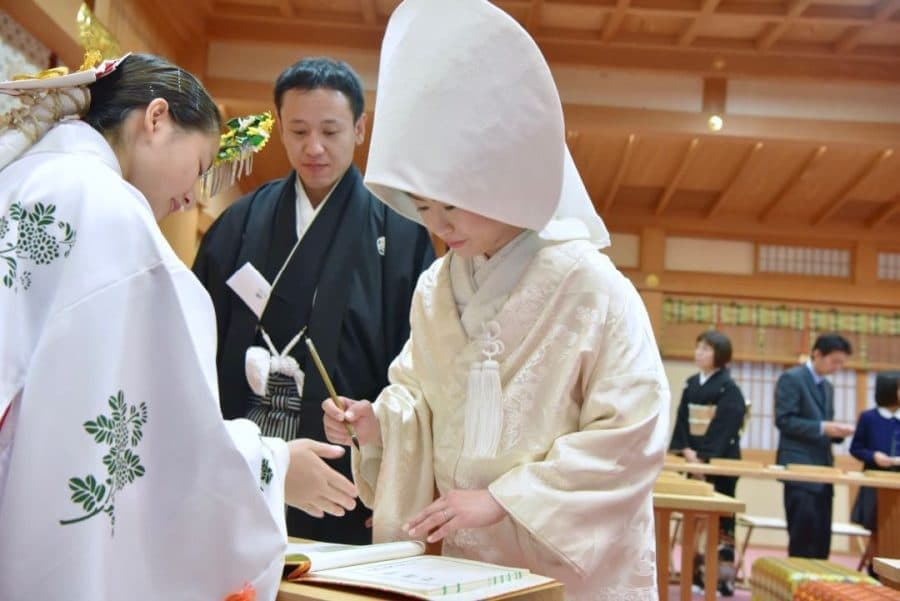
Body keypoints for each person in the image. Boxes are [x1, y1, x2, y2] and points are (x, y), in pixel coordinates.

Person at [321, 1, 671, 598]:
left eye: (450, 206)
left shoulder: (591, 285)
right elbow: (423, 397)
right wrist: (381, 422)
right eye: (424, 210)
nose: (440, 228)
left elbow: (632, 434)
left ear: (504, 181)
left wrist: (504, 500)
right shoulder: (437, 286)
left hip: (555, 566)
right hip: (459, 561)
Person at [0, 53, 358, 601]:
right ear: (157, 118)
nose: (194, 194)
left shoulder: (31, 177)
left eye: (330, 131)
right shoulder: (108, 209)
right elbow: (168, 428)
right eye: (199, 165)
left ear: (359, 129)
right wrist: (274, 462)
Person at [193, 57, 434, 544]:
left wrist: (396, 483)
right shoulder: (240, 224)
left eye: (330, 130)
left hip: (347, 479)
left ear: (361, 128)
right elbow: (197, 344)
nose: (314, 147)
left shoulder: (401, 232)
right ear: (279, 125)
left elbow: (424, 367)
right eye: (299, 130)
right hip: (248, 471)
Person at [669, 330, 746, 596]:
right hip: (693, 459)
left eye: (706, 348)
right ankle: (693, 574)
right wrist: (686, 450)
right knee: (694, 519)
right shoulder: (691, 384)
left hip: (719, 462)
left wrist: (704, 458)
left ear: (720, 356)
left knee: (721, 522)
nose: (698, 352)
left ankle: (721, 579)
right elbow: (681, 421)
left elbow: (727, 425)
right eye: (697, 347)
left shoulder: (729, 388)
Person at [775, 333, 855, 559]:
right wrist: (823, 428)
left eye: (841, 363)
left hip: (823, 470)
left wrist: (837, 432)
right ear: (817, 354)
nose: (837, 367)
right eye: (834, 361)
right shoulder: (792, 378)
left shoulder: (827, 387)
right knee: (803, 535)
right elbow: (784, 420)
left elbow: (823, 426)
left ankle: (818, 592)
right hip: (799, 468)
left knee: (821, 537)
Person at [849, 371, 900, 574]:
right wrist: (873, 456)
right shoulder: (869, 417)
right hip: (875, 481)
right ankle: (875, 570)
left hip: (897, 480)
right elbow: (856, 448)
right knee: (877, 528)